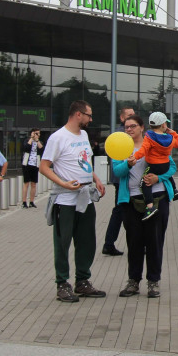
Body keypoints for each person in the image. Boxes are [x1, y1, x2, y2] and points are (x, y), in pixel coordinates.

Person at [40, 100, 107, 303]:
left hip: (85, 197)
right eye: (89, 115)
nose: (91, 119)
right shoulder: (58, 137)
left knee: (86, 241)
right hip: (65, 200)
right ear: (78, 114)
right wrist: (64, 183)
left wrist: (95, 178)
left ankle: (82, 281)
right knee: (62, 242)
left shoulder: (84, 135)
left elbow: (84, 162)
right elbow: (44, 167)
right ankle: (62, 283)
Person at [113, 114, 175, 299]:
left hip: (157, 198)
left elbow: (170, 167)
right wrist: (127, 164)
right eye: (126, 127)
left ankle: (153, 282)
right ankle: (133, 281)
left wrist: (158, 178)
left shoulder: (154, 143)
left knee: (155, 242)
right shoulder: (121, 148)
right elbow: (117, 171)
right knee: (134, 243)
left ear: (142, 127)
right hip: (131, 201)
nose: (129, 130)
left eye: (133, 126)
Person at [127, 111, 178, 217]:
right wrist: (173, 133)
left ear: (150, 125)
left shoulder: (149, 136)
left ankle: (150, 207)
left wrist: (135, 157)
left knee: (144, 182)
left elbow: (143, 150)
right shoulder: (170, 138)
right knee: (167, 174)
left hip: (154, 165)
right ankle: (174, 190)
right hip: (165, 164)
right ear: (164, 125)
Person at [101, 106, 136, 257]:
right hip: (121, 178)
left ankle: (111, 243)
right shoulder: (120, 134)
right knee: (122, 211)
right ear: (122, 118)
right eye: (129, 116)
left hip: (127, 177)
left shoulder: (130, 133)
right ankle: (110, 243)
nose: (131, 118)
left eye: (133, 115)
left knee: (122, 211)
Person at [21, 128, 43, 208]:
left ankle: (31, 201)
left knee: (33, 184)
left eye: (38, 133)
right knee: (26, 183)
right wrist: (31, 138)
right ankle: (24, 202)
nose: (38, 135)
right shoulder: (27, 140)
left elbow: (41, 149)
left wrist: (37, 141)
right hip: (27, 164)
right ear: (32, 133)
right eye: (36, 133)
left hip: (35, 164)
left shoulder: (39, 142)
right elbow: (26, 148)